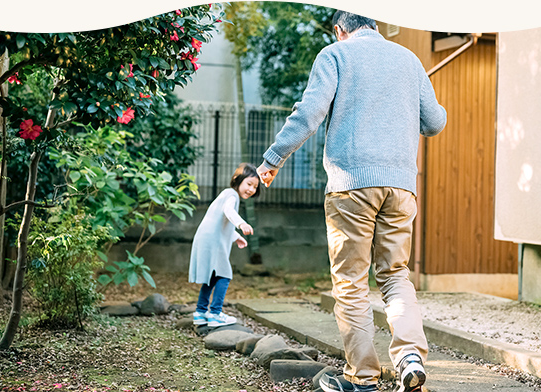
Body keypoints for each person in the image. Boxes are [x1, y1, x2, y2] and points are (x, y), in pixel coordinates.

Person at [256, 10, 447, 392]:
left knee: (351, 284)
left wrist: (273, 158)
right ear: (375, 26)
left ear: (340, 30)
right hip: (400, 188)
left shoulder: (335, 55)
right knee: (395, 275)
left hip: (351, 185)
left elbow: (309, 114)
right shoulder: (409, 59)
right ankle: (410, 357)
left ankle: (362, 380)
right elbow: (435, 122)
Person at [189, 162, 260, 327]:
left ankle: (200, 312)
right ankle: (214, 313)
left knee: (212, 276)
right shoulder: (231, 195)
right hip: (213, 241)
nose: (251, 189)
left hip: (206, 237)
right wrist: (241, 224)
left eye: (255, 187)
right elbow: (229, 212)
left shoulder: (225, 194)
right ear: (237, 179)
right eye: (249, 184)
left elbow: (220, 221)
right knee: (225, 274)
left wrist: (236, 237)